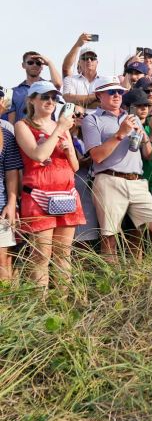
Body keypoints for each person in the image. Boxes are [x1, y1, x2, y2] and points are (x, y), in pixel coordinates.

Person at [81, 76, 152, 266]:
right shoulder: (91, 119)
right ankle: (111, 288)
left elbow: (147, 155)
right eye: (111, 91)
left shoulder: (131, 118)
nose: (117, 95)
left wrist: (146, 137)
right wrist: (120, 133)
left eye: (119, 92)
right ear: (99, 95)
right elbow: (97, 156)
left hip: (137, 181)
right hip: (109, 179)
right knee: (110, 238)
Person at [14, 81, 85, 289]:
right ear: (31, 100)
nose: (50, 101)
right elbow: (38, 154)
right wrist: (60, 130)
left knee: (64, 255)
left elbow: (75, 166)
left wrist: (70, 150)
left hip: (66, 195)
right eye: (45, 97)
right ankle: (42, 307)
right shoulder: (23, 125)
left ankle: (63, 305)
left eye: (54, 97)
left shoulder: (61, 126)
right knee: (41, 256)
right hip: (38, 196)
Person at [69, 104, 100, 247]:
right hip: (75, 185)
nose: (81, 117)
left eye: (84, 115)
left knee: (90, 229)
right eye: (77, 114)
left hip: (89, 186)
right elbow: (76, 163)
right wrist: (94, 157)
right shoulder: (65, 136)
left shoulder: (88, 135)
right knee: (77, 233)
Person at [0, 99, 23, 279]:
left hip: (1, 206)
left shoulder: (7, 134)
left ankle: (5, 305)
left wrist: (12, 203)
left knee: (4, 259)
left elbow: (11, 173)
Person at [7, 51, 62, 123]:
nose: (35, 65)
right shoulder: (12, 92)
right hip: (22, 131)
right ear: (23, 65)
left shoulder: (49, 86)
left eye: (38, 63)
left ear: (42, 67)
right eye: (30, 62)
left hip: (47, 132)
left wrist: (49, 63)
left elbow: (58, 84)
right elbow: (11, 122)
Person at [62, 37, 100, 111]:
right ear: (79, 62)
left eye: (92, 58)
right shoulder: (70, 79)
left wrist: (77, 102)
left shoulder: (104, 80)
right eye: (85, 58)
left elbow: (106, 103)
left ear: (97, 62)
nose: (89, 60)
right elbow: (68, 99)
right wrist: (96, 96)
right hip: (77, 121)